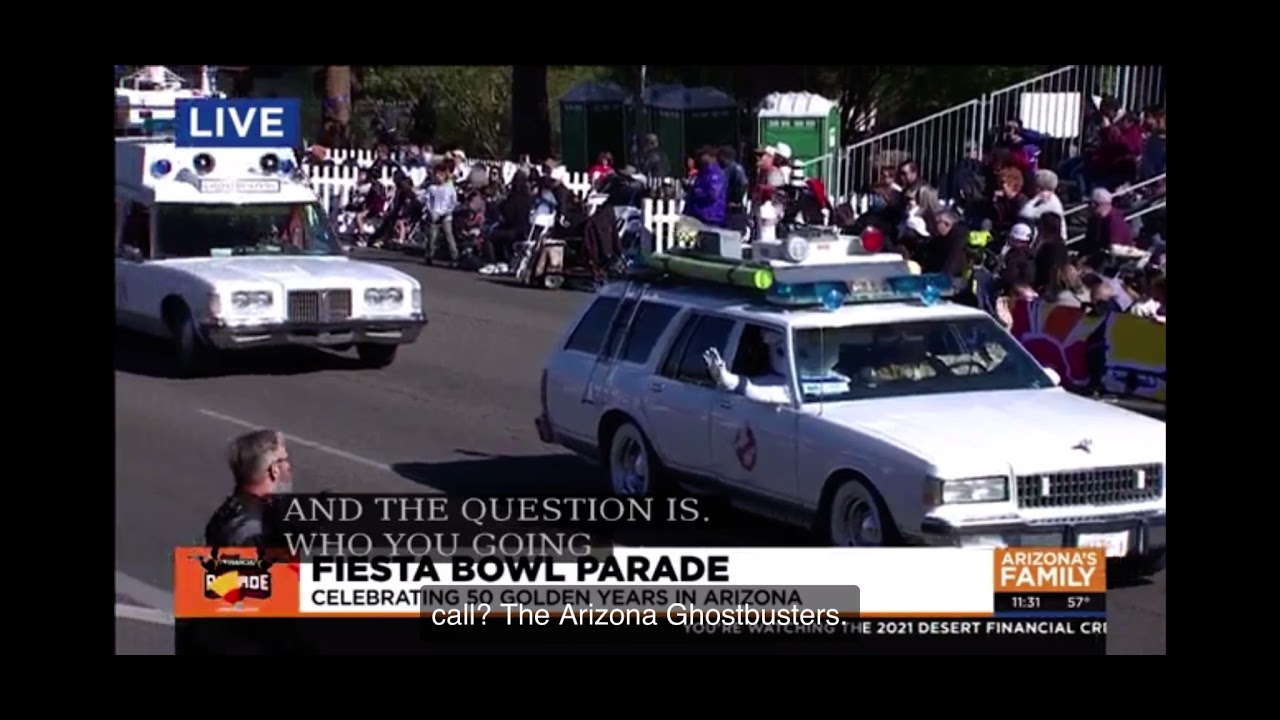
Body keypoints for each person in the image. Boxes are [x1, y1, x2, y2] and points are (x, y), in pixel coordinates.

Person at [205, 430, 293, 548]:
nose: (289, 467)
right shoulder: (259, 530)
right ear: (274, 470)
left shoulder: (225, 512)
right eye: (285, 460)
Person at [1078, 188, 1133, 257]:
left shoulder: (1115, 221)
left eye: (1090, 203)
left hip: (1117, 261)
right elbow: (1088, 243)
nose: (1088, 207)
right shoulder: (1094, 220)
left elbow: (1114, 249)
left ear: (1096, 204)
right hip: (1098, 258)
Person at [423, 163, 459, 265]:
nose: (438, 177)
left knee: (449, 236)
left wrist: (446, 212)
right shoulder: (431, 188)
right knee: (432, 237)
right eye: (436, 175)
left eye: (441, 175)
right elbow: (428, 201)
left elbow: (453, 202)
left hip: (446, 216)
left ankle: (454, 257)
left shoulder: (449, 188)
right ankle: (429, 255)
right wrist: (431, 211)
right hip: (434, 215)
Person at [682, 146, 726, 228]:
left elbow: (713, 194)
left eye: (702, 155)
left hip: (709, 216)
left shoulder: (714, 173)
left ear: (711, 157)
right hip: (698, 214)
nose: (700, 158)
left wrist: (695, 191)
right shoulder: (703, 172)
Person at [1020, 170, 1067, 237]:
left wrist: (1035, 199)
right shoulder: (1046, 198)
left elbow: (1025, 213)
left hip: (1052, 241)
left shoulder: (1050, 200)